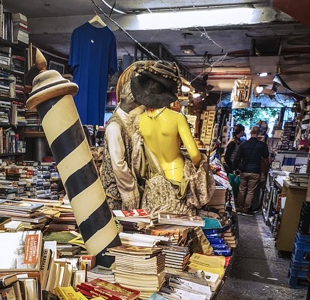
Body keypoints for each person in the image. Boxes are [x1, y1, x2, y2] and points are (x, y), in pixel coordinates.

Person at [127, 61, 214, 217]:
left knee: (156, 227)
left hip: (154, 181)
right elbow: (195, 155)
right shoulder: (177, 118)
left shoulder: (139, 120)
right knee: (180, 229)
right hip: (177, 177)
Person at [99, 80, 145, 210]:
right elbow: (118, 164)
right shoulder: (115, 126)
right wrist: (130, 189)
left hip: (125, 186)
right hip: (116, 193)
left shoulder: (128, 121)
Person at [234, 125, 270, 214]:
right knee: (251, 191)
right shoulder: (261, 145)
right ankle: (246, 209)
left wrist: (235, 168)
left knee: (241, 189)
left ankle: (239, 207)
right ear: (258, 134)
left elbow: (237, 158)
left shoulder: (243, 144)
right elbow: (266, 157)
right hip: (255, 171)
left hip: (244, 170)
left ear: (250, 132)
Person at [223, 123, 245, 199]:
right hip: (229, 167)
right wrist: (232, 167)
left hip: (231, 166)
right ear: (241, 131)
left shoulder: (237, 141)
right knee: (230, 184)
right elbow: (227, 157)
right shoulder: (233, 142)